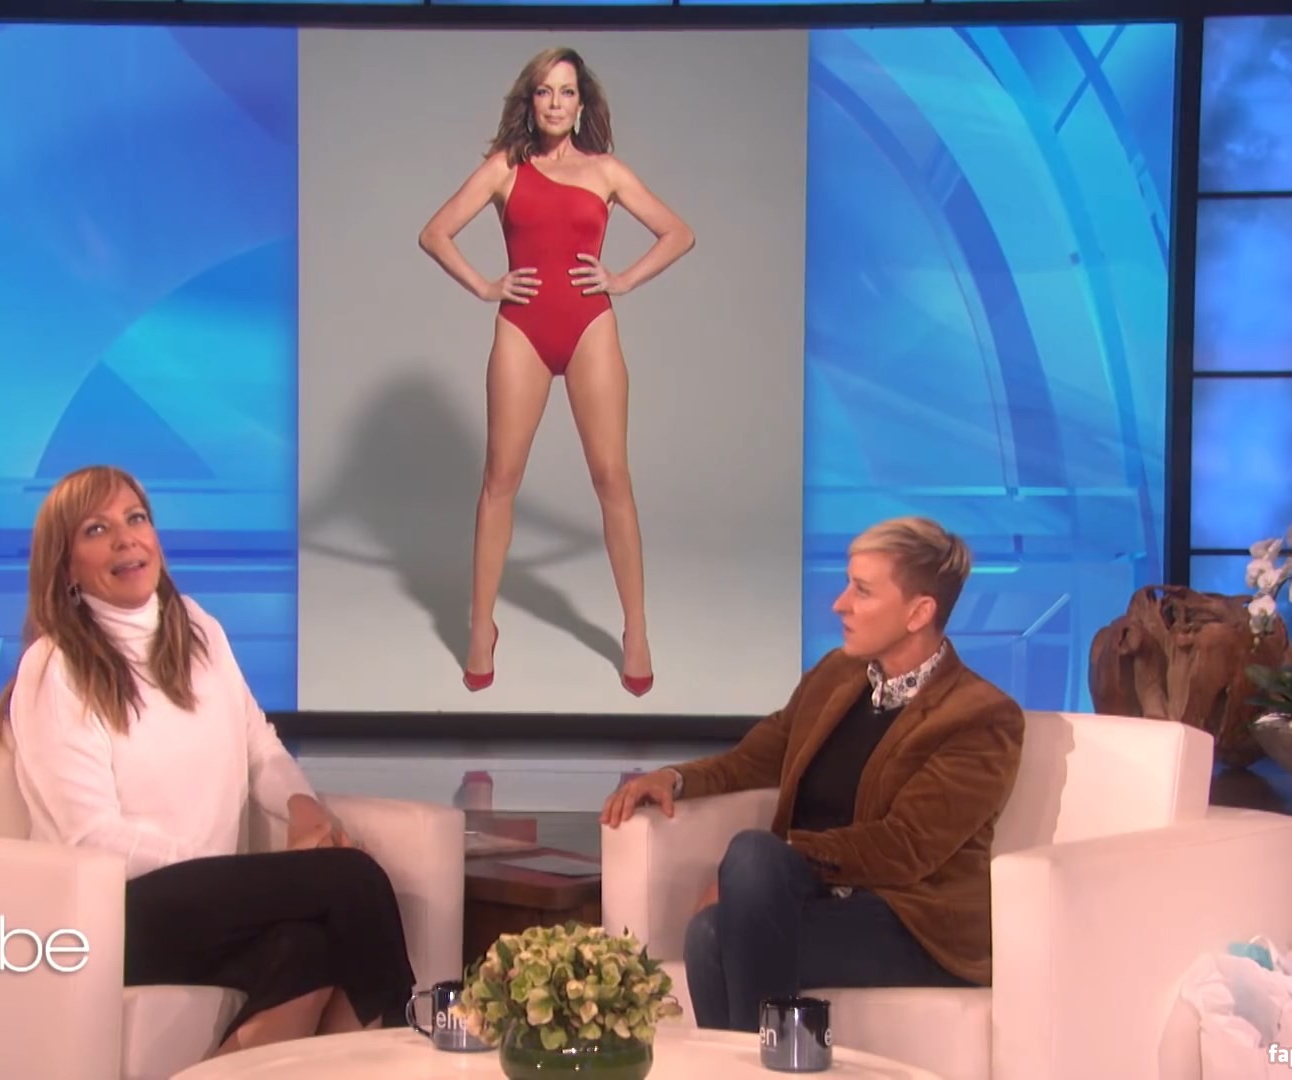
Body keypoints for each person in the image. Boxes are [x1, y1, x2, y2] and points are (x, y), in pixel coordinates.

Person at [0, 465, 417, 1055]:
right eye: (96, 529)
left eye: (135, 519)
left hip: (202, 904)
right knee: (352, 879)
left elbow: (258, 744)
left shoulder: (197, 628)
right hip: (108, 913)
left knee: (309, 947)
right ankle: (410, 1047)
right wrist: (234, 873)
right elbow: (90, 836)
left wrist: (302, 806)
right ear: (66, 567)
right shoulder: (55, 667)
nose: (125, 539)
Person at [598, 516, 1025, 1030]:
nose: (840, 604)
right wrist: (674, 778)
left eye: (862, 591)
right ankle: (770, 1060)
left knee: (739, 884)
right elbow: (757, 758)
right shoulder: (837, 675)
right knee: (709, 932)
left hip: (913, 923)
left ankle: (751, 1062)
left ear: (919, 612)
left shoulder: (979, 716)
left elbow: (907, 846)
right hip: (822, 901)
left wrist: (773, 862)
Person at [418, 46, 695, 696]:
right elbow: (435, 233)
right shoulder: (504, 168)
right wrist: (486, 286)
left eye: (567, 92)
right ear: (530, 100)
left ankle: (636, 631)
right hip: (522, 330)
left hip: (590, 327)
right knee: (499, 480)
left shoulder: (606, 171)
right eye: (544, 91)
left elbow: (678, 233)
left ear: (581, 103)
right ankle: (481, 627)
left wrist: (623, 279)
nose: (555, 103)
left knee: (612, 479)